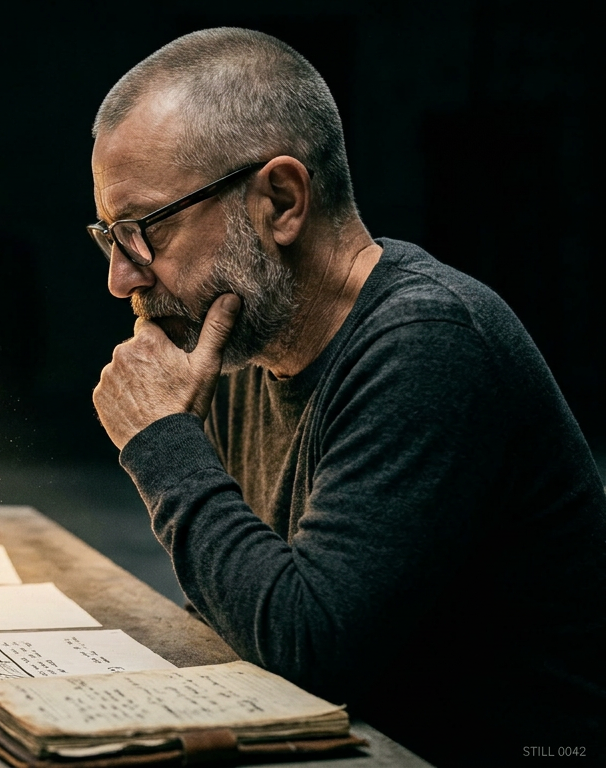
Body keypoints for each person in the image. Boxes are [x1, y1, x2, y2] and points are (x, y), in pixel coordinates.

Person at [88, 28, 606, 765]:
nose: (122, 278)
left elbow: (312, 651)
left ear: (282, 200)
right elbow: (228, 615)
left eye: (144, 231)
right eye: (108, 235)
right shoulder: (237, 345)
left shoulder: (428, 340)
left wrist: (165, 448)